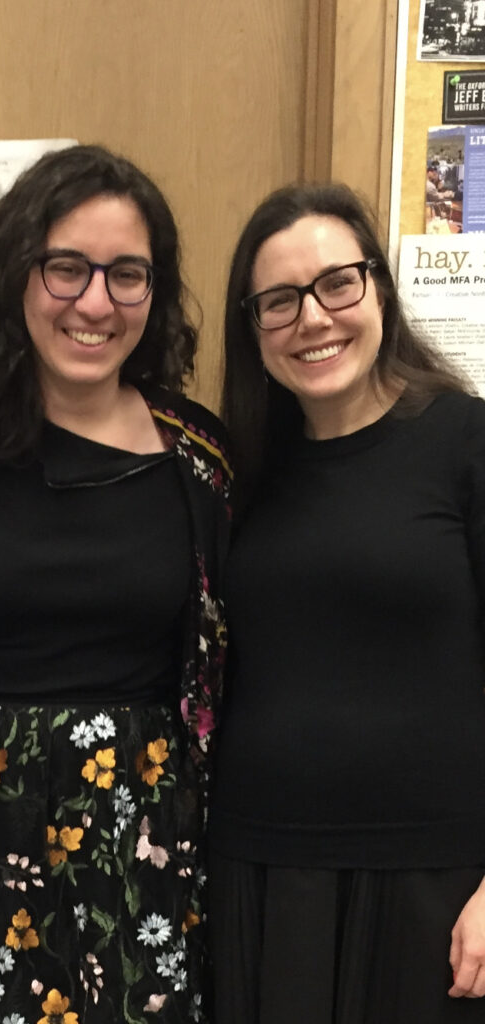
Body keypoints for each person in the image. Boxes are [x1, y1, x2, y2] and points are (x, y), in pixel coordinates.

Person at [0, 144, 231, 1023]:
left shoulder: (199, 461)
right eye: (67, 269)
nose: (96, 302)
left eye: (127, 274)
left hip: (144, 844)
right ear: (17, 276)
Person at [208, 182, 485, 1024]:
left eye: (338, 283)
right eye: (280, 301)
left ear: (379, 290)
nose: (315, 318)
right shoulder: (238, 470)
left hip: (433, 883)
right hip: (258, 876)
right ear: (252, 330)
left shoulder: (463, 442)